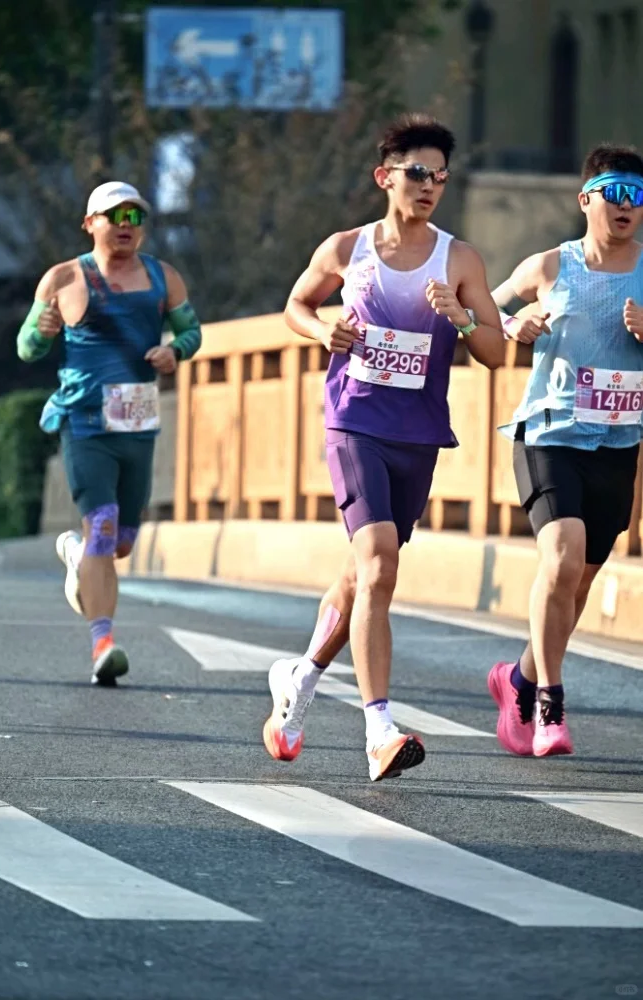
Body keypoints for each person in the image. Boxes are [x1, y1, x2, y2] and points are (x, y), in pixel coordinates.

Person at [263, 113, 504, 781]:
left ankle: (300, 684)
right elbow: (295, 304)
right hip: (354, 420)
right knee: (378, 563)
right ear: (385, 176)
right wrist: (322, 332)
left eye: (441, 178)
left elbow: (495, 351)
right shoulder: (347, 248)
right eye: (419, 173)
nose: (430, 187)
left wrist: (460, 317)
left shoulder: (460, 259)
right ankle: (379, 730)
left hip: (418, 432)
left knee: (362, 573)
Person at [488, 144, 643, 757]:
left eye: (638, 195)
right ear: (586, 199)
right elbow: (483, 308)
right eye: (616, 192)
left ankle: (518, 678)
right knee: (562, 555)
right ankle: (550, 706)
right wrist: (512, 324)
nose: (628, 206)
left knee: (576, 582)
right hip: (549, 432)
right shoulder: (551, 265)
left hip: (618, 441)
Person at [17, 181, 201, 685]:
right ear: (90, 223)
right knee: (101, 523)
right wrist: (43, 331)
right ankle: (104, 643)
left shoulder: (164, 278)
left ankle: (79, 556)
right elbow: (26, 347)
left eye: (134, 217)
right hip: (85, 422)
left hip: (138, 425)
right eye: (113, 215)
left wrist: (175, 351)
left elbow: (192, 331)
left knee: (120, 542)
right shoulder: (63, 278)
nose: (125, 224)